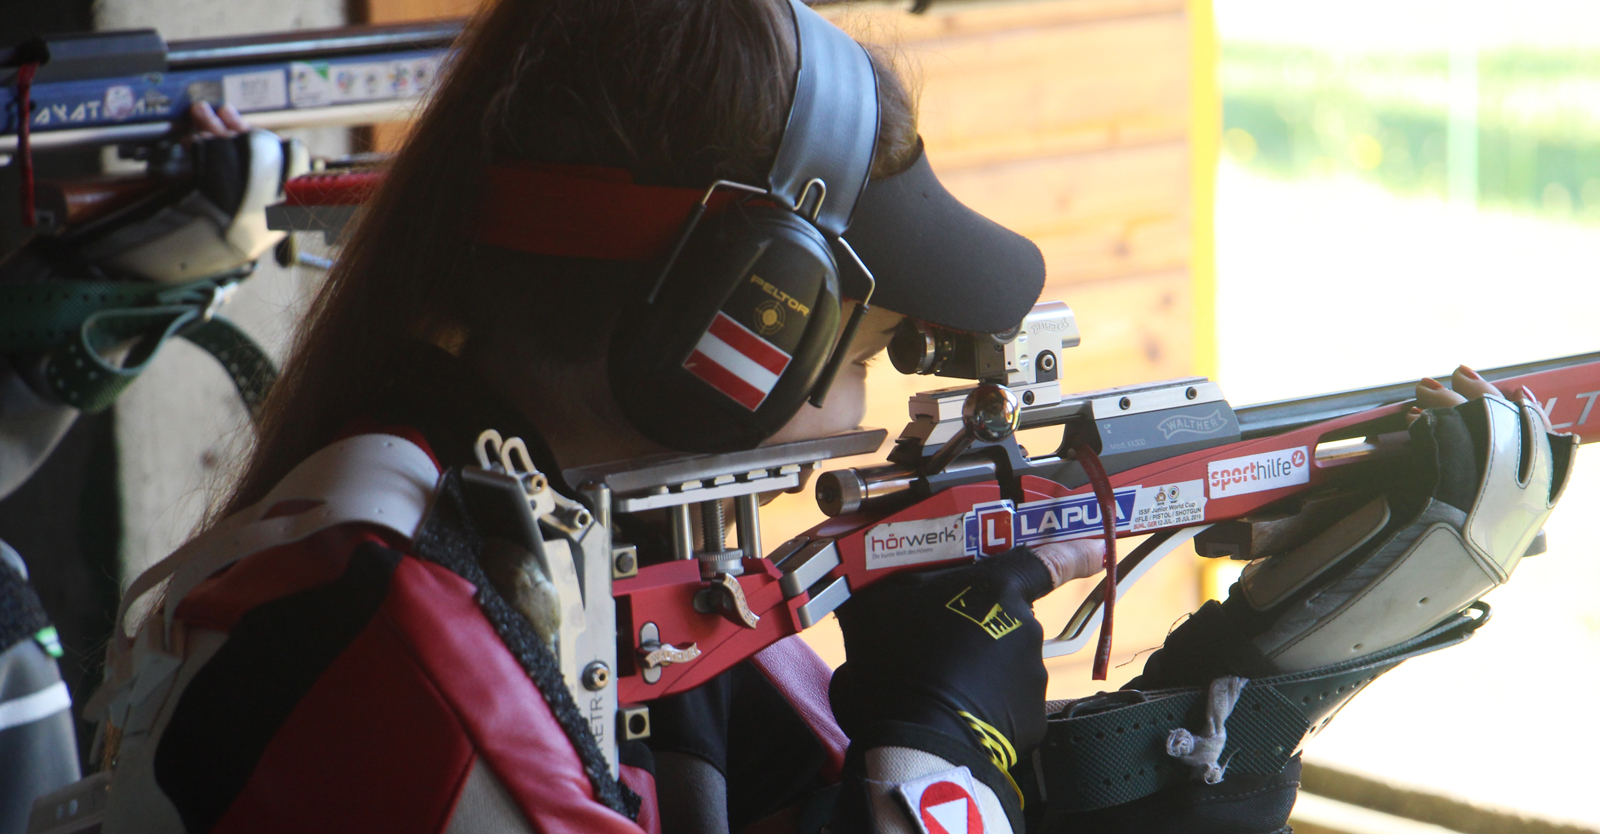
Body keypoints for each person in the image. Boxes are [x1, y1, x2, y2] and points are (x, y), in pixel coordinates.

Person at [56, 2, 1572, 833]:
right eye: (870, 300)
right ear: (730, 321)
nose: (903, 354)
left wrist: (1241, 695)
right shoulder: (395, 635)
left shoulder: (520, 542)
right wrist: (939, 759)